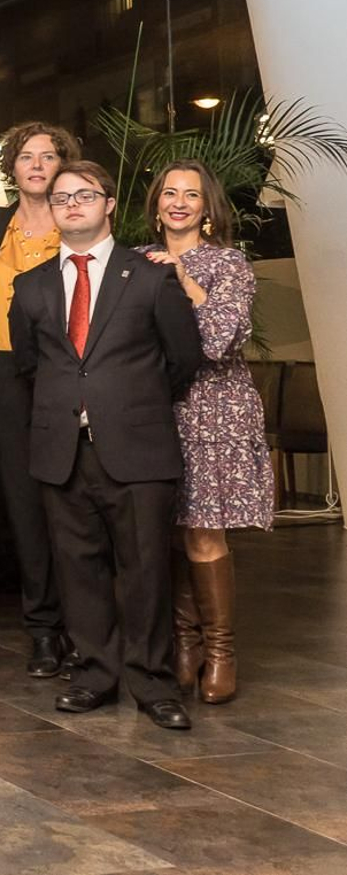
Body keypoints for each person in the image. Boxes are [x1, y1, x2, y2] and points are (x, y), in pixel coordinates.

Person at [10, 159, 202, 731]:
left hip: (138, 449)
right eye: (62, 197)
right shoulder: (31, 285)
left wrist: (124, 407)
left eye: (85, 195)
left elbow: (183, 359)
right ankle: (94, 675)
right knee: (79, 570)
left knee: (146, 570)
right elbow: (28, 367)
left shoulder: (150, 276)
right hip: (62, 450)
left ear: (110, 203)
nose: (72, 204)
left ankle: (152, 683)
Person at [140, 159, 274, 704]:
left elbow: (217, 339)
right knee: (169, 530)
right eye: (168, 193)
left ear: (206, 207)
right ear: (155, 205)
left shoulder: (229, 264)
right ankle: (185, 644)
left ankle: (220, 651)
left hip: (215, 411)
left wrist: (180, 276)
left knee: (203, 531)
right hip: (157, 410)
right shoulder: (135, 262)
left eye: (189, 195)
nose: (177, 202)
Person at [0, 122, 81, 678]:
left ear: (65, 165)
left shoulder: (78, 222)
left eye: (48, 156)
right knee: (23, 507)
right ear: (11, 168)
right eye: (26, 157)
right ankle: (41, 630)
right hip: (6, 376)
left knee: (71, 503)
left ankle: (82, 629)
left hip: (66, 374)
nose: (36, 164)